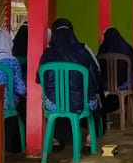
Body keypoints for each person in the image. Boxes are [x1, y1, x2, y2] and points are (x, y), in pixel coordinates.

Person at [40, 19, 106, 147]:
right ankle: (89, 139)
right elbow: (95, 76)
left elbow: (39, 78)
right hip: (81, 103)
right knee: (95, 102)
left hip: (54, 104)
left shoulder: (47, 55)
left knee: (55, 99)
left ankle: (56, 139)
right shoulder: (82, 52)